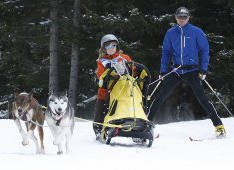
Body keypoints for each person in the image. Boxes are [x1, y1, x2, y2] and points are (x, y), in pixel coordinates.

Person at [148, 7, 226, 137]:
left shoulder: (196, 31)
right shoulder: (171, 32)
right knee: (160, 97)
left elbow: (204, 50)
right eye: (179, 17)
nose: (182, 19)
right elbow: (166, 52)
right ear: (176, 17)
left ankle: (218, 125)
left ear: (188, 17)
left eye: (184, 17)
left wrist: (203, 69)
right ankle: (147, 124)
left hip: (192, 70)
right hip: (176, 70)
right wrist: (163, 70)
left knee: (203, 99)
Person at [93, 34, 132, 138]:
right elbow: (101, 74)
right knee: (101, 108)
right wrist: (109, 71)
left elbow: (133, 69)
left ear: (117, 47)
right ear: (103, 48)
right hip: (106, 90)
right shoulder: (101, 61)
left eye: (113, 46)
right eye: (108, 46)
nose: (111, 49)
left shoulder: (124, 58)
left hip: (124, 89)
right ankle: (98, 128)